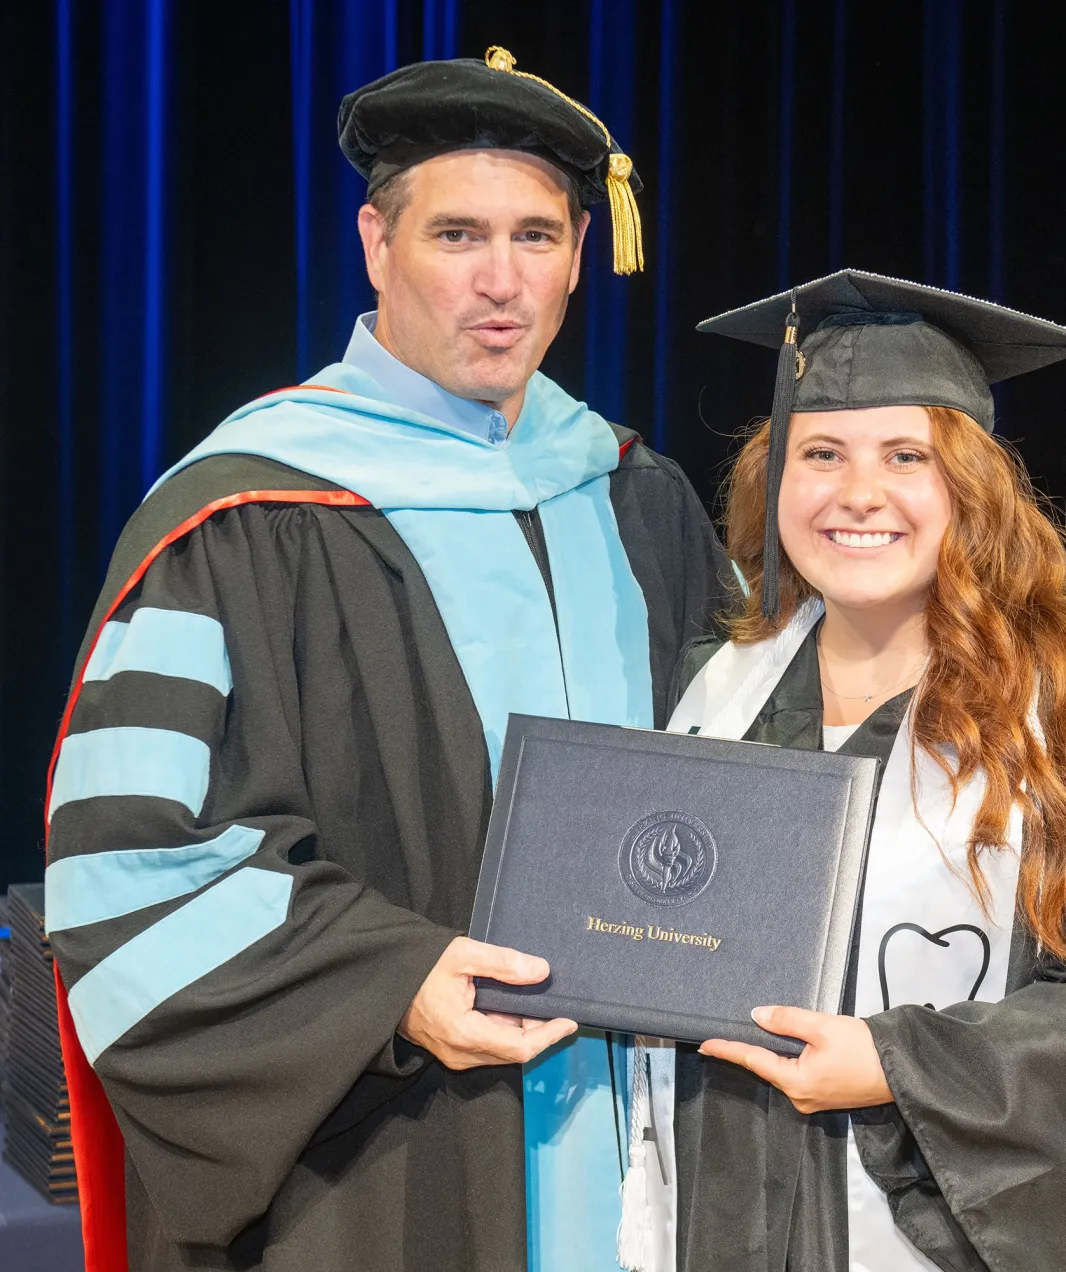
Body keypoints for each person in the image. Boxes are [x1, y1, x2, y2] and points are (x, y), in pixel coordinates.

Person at [44, 47, 727, 1272]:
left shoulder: (634, 496)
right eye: (457, 234)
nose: (501, 282)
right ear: (375, 245)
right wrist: (398, 984)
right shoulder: (249, 513)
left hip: (650, 1149)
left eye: (536, 236)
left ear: (582, 253)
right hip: (384, 1154)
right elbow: (134, 864)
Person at [658, 268, 1066, 1271]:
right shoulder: (710, 700)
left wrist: (895, 1064)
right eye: (821, 453)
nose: (858, 494)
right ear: (774, 480)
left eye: (906, 456)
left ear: (970, 486)